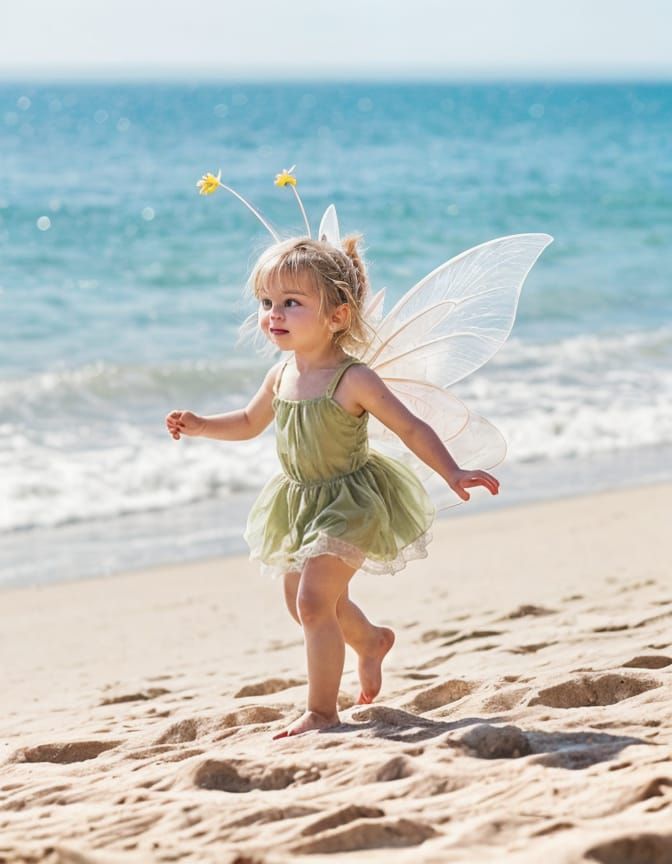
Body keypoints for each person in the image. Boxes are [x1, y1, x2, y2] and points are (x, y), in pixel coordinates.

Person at [165, 233, 500, 739]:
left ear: (337, 316)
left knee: (313, 603)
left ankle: (321, 711)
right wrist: (202, 424)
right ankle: (369, 641)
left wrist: (452, 470)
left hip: (351, 501)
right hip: (299, 500)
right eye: (267, 303)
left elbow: (410, 426)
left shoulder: (352, 378)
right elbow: (250, 423)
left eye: (291, 303)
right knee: (303, 599)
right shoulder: (280, 375)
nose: (274, 314)